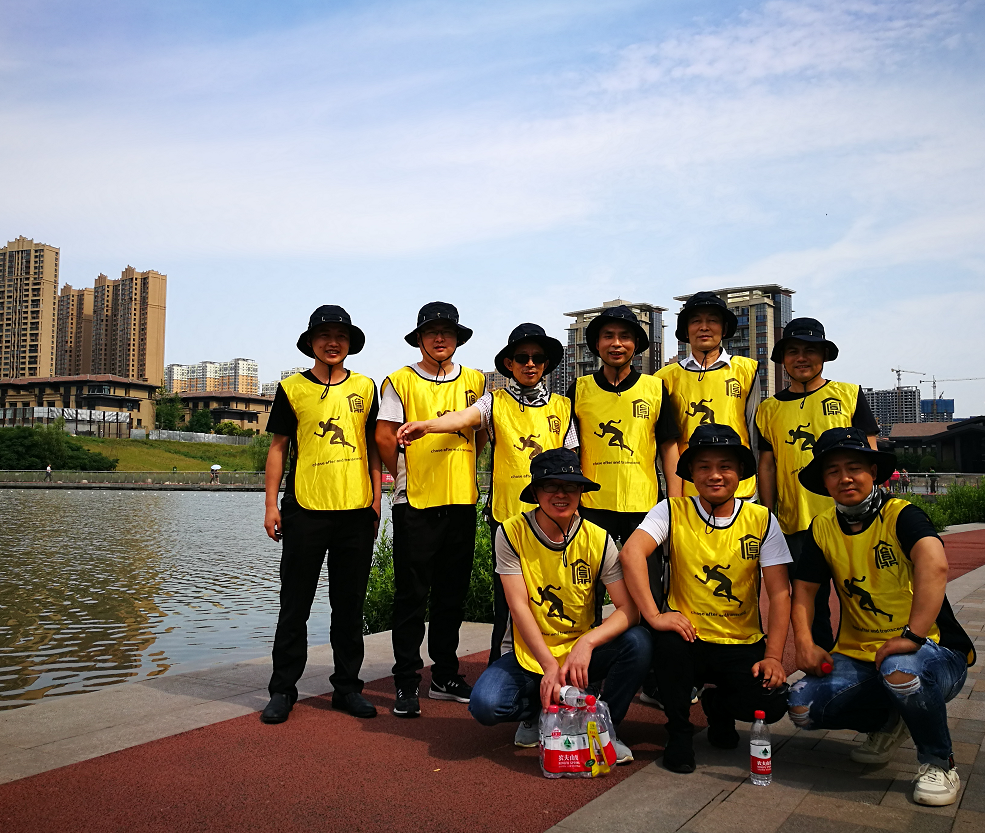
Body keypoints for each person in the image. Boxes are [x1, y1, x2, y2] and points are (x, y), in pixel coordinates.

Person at [787, 428, 975, 807]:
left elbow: (935, 564)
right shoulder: (823, 527)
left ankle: (939, 762)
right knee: (802, 705)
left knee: (900, 668)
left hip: (933, 653)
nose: (845, 478)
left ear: (873, 472)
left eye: (854, 468)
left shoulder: (901, 515)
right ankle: (890, 722)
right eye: (833, 471)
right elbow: (804, 589)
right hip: (861, 655)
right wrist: (805, 643)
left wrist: (912, 636)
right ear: (824, 481)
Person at [396, 323, 576, 662]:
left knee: (557, 591)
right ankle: (503, 664)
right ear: (509, 363)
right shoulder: (494, 401)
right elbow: (462, 418)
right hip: (507, 517)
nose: (530, 364)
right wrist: (426, 426)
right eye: (521, 357)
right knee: (507, 599)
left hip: (554, 518)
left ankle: (559, 662)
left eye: (537, 358)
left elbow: (572, 462)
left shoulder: (563, 407)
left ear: (546, 364)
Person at [620, 424, 792, 774]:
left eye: (725, 466)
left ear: (740, 471)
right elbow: (631, 553)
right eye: (704, 467)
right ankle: (679, 733)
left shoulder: (761, 519)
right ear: (691, 473)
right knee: (667, 647)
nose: (715, 475)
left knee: (772, 702)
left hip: (741, 640)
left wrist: (774, 656)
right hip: (689, 635)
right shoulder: (671, 510)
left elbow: (779, 592)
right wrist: (654, 615)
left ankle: (718, 706)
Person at [468, 448, 651, 764]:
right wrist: (549, 666)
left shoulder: (599, 539)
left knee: (640, 642)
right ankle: (545, 710)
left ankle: (604, 727)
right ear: (535, 492)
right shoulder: (510, 533)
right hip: (530, 653)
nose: (561, 494)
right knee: (486, 704)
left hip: (580, 656)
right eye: (550, 485)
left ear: (581, 491)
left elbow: (628, 610)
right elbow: (518, 607)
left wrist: (587, 643)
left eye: (570, 486)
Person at [260, 305, 383, 724]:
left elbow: (372, 447)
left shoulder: (365, 387)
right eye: (325, 336)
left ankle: (347, 688)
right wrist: (271, 505)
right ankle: (282, 690)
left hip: (355, 511)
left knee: (349, 607)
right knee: (295, 605)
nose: (333, 343)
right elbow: (278, 448)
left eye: (341, 336)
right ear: (311, 342)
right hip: (305, 511)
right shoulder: (292, 388)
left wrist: (376, 498)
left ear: (350, 344)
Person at [376, 302, 487, 717]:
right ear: (419, 338)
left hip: (460, 500)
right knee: (411, 596)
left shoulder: (476, 380)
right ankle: (406, 680)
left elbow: (482, 433)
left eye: (448, 332)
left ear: (458, 338)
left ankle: (444, 675)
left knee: (451, 595)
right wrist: (405, 473)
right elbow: (385, 436)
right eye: (431, 332)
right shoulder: (400, 381)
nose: (440, 338)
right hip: (416, 503)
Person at [756, 318, 879, 652]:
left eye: (810, 350)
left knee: (863, 594)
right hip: (797, 523)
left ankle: (869, 661)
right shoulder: (768, 409)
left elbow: (871, 452)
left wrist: (875, 506)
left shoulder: (848, 394)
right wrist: (768, 514)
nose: (801, 358)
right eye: (793, 351)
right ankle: (821, 666)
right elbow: (767, 464)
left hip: (851, 517)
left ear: (823, 355)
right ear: (783, 359)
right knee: (810, 602)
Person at [567, 305, 682, 546]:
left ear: (636, 344)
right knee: (590, 571)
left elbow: (669, 448)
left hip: (645, 506)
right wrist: (570, 503)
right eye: (608, 336)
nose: (616, 344)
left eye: (625, 336)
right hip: (591, 505)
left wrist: (674, 504)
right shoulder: (579, 389)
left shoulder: (655, 389)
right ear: (597, 343)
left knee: (645, 571)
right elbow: (569, 451)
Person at [655, 292, 760, 501]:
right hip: (688, 490)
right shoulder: (664, 378)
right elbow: (665, 443)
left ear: (724, 328)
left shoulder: (747, 370)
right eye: (696, 321)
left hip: (741, 491)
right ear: (686, 330)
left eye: (712, 320)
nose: (704, 327)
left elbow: (755, 434)